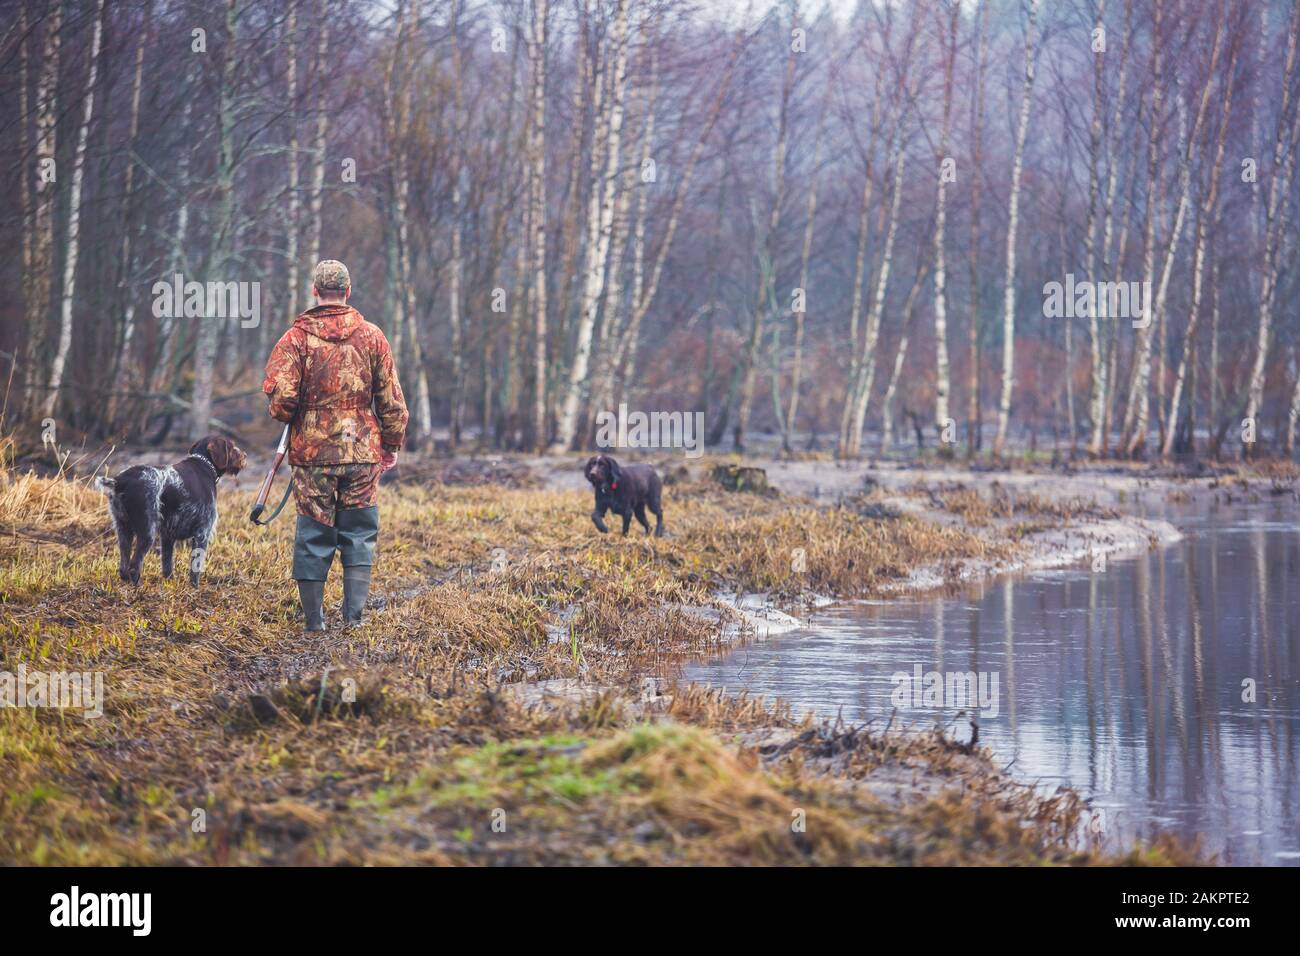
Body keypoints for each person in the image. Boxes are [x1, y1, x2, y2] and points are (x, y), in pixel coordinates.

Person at [262, 259, 408, 630]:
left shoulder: (294, 339)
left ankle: (314, 622)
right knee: (358, 531)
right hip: (362, 450)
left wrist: (295, 409)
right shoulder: (373, 336)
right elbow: (391, 400)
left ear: (315, 291)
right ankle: (354, 619)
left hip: (312, 455)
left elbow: (281, 405)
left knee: (314, 532)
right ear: (347, 291)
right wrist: (390, 444)